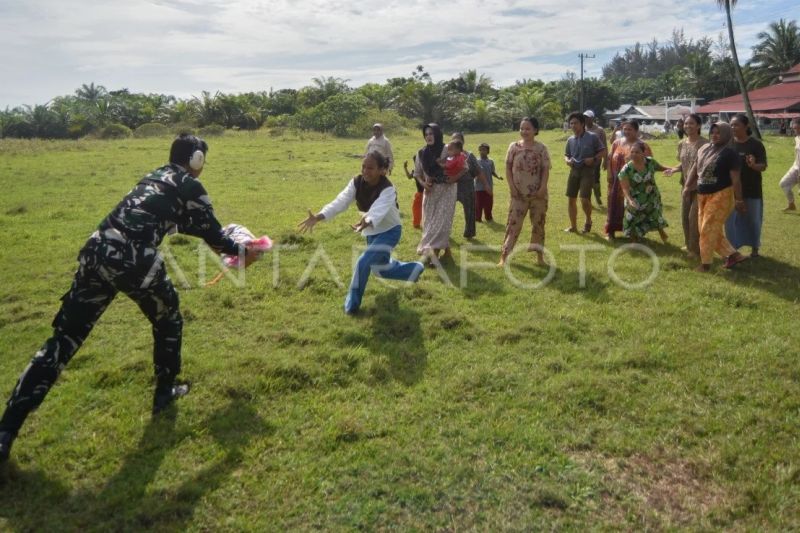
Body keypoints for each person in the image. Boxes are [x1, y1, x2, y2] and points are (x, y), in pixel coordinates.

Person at [0, 134, 261, 462]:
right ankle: (165, 393)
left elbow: (180, 224)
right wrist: (248, 250)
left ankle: (6, 430)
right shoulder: (190, 186)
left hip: (97, 250)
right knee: (168, 318)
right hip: (135, 257)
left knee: (63, 340)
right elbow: (215, 235)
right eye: (202, 160)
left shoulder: (153, 177)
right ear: (196, 159)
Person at [297, 151, 424, 314]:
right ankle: (415, 269)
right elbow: (340, 201)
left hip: (390, 231)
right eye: (363, 167)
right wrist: (319, 217)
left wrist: (367, 220)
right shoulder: (356, 182)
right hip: (372, 232)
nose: (365, 171)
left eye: (370, 168)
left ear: (382, 170)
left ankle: (352, 305)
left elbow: (378, 210)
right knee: (380, 270)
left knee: (363, 263)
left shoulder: (388, 189)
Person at [684, 122, 748, 272]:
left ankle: (705, 264)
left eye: (718, 132)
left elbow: (736, 179)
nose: (714, 135)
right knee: (707, 228)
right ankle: (733, 255)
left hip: (721, 194)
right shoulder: (704, 149)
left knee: (707, 229)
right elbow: (695, 168)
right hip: (702, 194)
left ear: (726, 134)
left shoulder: (731, 154)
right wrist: (687, 186)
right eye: (712, 132)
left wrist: (739, 200)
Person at [499, 117, 551, 267]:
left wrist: (542, 189)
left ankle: (540, 257)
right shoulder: (513, 147)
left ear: (535, 130)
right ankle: (504, 256)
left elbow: (546, 170)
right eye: (522, 128)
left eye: (528, 128)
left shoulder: (541, 148)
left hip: (538, 196)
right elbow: (508, 169)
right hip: (518, 195)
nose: (524, 131)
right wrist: (512, 188)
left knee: (539, 225)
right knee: (512, 225)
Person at [414, 123, 459, 263]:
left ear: (437, 134)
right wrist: (423, 184)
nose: (428, 137)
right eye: (426, 134)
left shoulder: (447, 149)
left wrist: (453, 177)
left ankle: (433, 256)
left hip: (447, 191)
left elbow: (461, 164)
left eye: (431, 133)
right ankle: (446, 253)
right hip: (430, 192)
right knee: (429, 223)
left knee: (441, 223)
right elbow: (417, 173)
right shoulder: (421, 153)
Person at [725, 113, 768, 257]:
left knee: (753, 219)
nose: (733, 127)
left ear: (746, 125)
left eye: (736, 124)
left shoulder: (755, 144)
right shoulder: (728, 143)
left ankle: (755, 248)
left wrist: (754, 165)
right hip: (731, 189)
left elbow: (763, 166)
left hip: (752, 188)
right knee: (731, 220)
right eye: (731, 125)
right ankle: (733, 250)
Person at [664, 113, 707, 258]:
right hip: (685, 186)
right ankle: (689, 244)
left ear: (699, 126)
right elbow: (684, 163)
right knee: (684, 216)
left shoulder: (705, 144)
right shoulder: (681, 143)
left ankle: (695, 250)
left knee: (693, 217)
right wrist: (674, 169)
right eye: (686, 124)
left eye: (692, 123)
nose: (688, 126)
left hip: (700, 187)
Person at [605, 120, 652, 240]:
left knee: (633, 206)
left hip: (634, 181)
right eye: (624, 129)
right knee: (614, 204)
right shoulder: (616, 142)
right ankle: (611, 232)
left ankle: (634, 233)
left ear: (636, 131)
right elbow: (610, 158)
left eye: (630, 129)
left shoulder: (643, 145)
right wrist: (610, 174)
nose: (626, 131)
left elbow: (648, 163)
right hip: (616, 179)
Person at [564, 112, 606, 234]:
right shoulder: (570, 140)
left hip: (588, 171)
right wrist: (567, 160)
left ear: (582, 124)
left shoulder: (592, 137)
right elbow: (566, 155)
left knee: (584, 198)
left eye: (575, 123)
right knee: (571, 199)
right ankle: (573, 226)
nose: (573, 125)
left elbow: (602, 151)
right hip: (574, 171)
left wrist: (593, 159)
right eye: (571, 123)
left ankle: (588, 220)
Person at [618, 141, 669, 242]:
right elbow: (625, 188)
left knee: (655, 214)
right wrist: (630, 200)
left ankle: (661, 231)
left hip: (651, 195)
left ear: (643, 153)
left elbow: (662, 168)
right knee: (631, 218)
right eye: (632, 152)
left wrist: (675, 169)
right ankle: (634, 240)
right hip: (634, 197)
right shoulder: (626, 170)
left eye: (637, 152)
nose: (634, 154)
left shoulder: (650, 162)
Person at [451, 132, 488, 240]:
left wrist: (486, 185)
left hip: (467, 188)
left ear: (463, 142)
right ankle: (444, 233)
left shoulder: (469, 156)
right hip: (452, 187)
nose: (456, 142)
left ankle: (469, 233)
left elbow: (479, 171)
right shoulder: (447, 156)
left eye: (459, 140)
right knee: (447, 211)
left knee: (470, 211)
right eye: (454, 140)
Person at [584, 110, 608, 207]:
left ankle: (597, 195)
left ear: (592, 118)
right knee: (586, 180)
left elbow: (604, 146)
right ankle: (588, 199)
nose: (586, 119)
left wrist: (605, 160)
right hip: (584, 159)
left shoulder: (599, 130)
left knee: (595, 179)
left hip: (596, 159)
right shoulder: (582, 129)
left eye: (588, 117)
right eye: (585, 117)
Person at [475, 142, 502, 222]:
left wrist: (498, 177)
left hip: (489, 187)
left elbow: (492, 171)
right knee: (479, 203)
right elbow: (473, 172)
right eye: (480, 150)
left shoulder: (490, 161)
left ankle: (488, 217)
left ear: (488, 151)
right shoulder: (476, 161)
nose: (482, 152)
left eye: (484, 150)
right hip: (478, 187)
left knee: (489, 203)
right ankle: (478, 218)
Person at [779, 117, 800, 211]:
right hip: (796, 167)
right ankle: (791, 204)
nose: (795, 130)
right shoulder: (797, 138)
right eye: (794, 128)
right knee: (784, 183)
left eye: (797, 128)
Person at [402, 155, 424, 229]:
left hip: (421, 194)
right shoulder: (426, 170)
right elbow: (409, 176)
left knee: (416, 208)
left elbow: (409, 177)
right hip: (428, 193)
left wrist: (405, 168)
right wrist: (405, 168)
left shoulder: (416, 171)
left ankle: (416, 223)